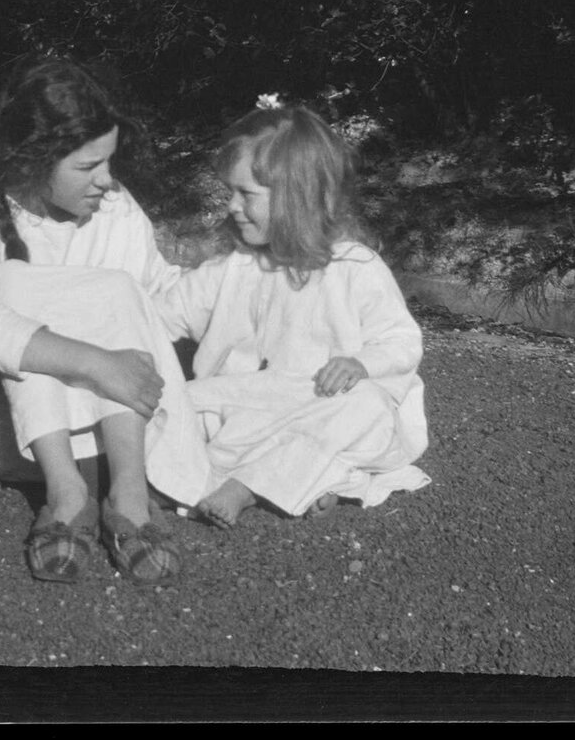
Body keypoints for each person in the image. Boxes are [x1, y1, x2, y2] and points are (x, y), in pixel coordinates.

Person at [0, 57, 210, 584]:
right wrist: (95, 364)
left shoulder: (116, 210)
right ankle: (68, 492)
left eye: (108, 163)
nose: (107, 181)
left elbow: (161, 298)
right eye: (88, 167)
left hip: (120, 432)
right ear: (32, 159)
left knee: (118, 286)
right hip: (20, 431)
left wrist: (253, 278)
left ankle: (128, 495)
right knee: (12, 285)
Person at [156, 102, 430, 527]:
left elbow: (401, 341)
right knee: (172, 402)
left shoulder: (354, 267)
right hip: (244, 404)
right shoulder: (234, 267)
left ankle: (244, 486)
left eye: (246, 194)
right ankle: (317, 479)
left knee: (368, 409)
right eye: (229, 191)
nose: (230, 205)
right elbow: (161, 315)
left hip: (318, 403)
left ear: (297, 198)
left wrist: (361, 363)